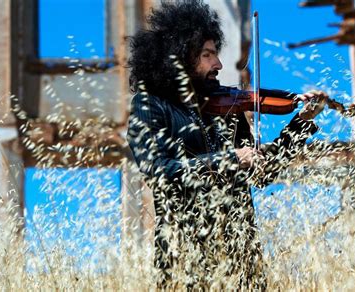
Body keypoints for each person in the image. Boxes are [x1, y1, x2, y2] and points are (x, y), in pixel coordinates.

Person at [126, 0, 327, 288]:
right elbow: (159, 170)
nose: (218, 64)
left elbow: (263, 172)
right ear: (179, 57)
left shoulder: (227, 106)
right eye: (207, 55)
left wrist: (302, 122)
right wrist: (229, 159)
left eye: (216, 54)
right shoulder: (150, 105)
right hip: (184, 258)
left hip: (240, 255)